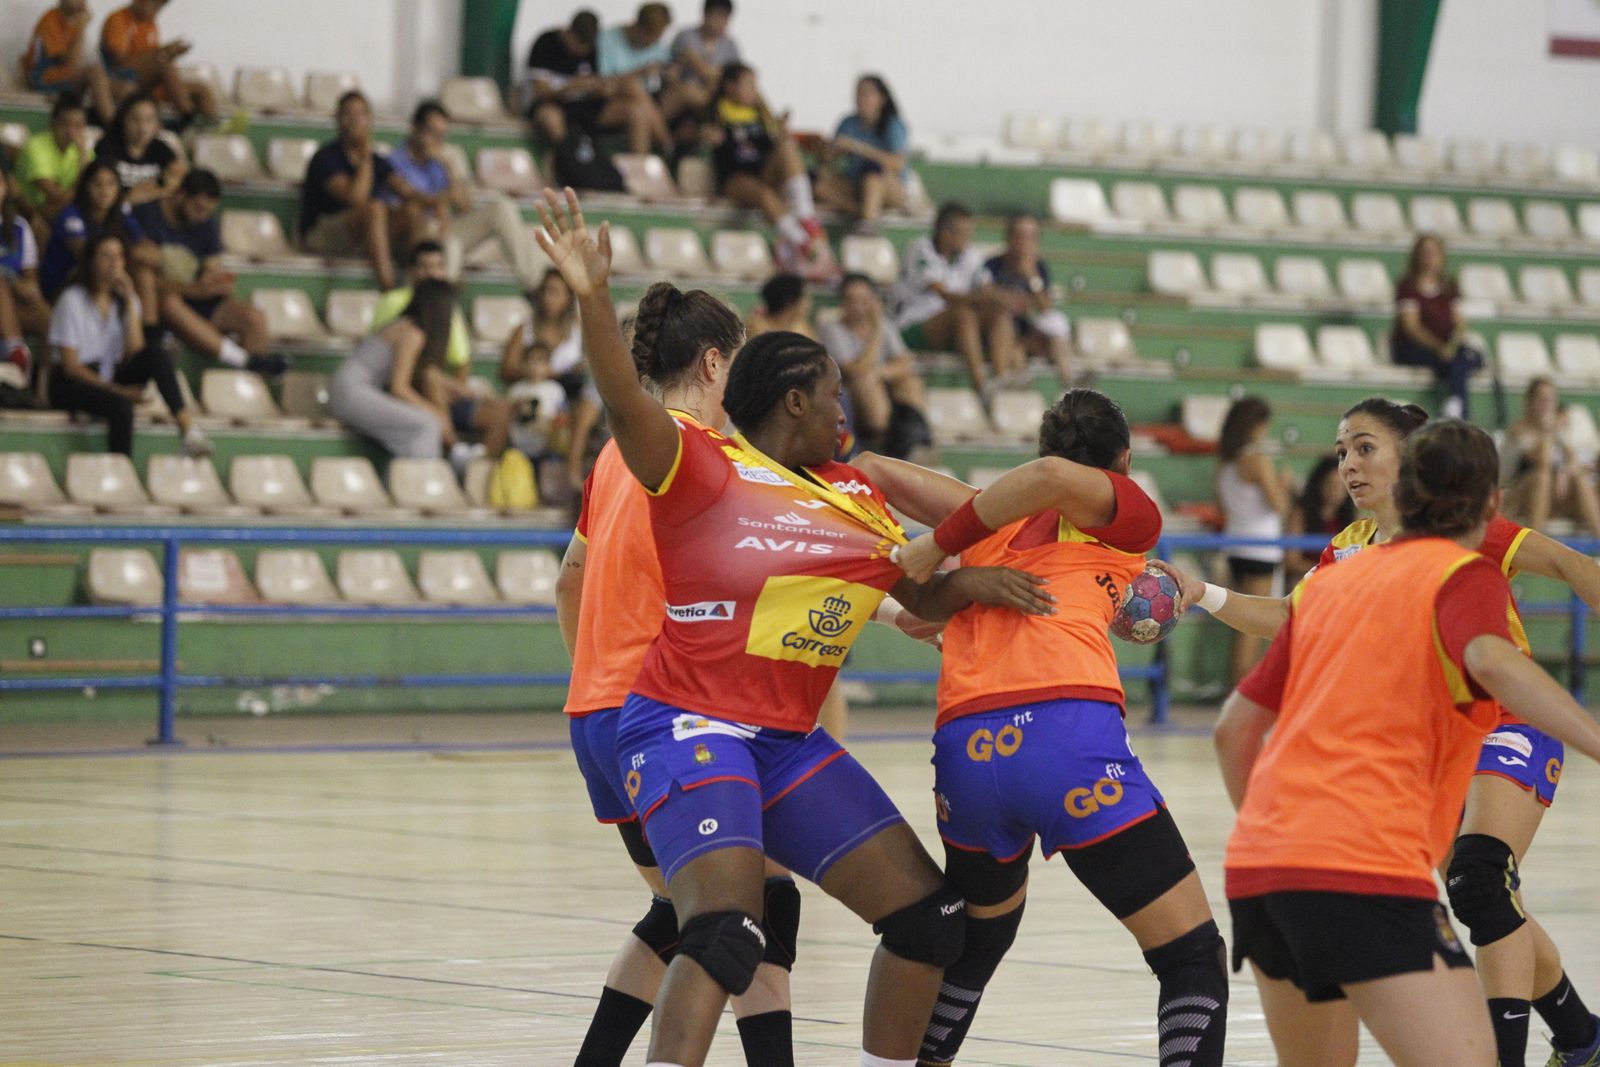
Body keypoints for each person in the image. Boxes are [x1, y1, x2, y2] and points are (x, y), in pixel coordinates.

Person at [535, 185, 1058, 1067]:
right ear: (789, 403)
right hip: (685, 721)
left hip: (781, 738)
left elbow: (919, 596)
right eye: (831, 392)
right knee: (726, 930)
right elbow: (626, 403)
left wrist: (980, 582)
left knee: (931, 921)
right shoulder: (702, 463)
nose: (847, 408)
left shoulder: (855, 495)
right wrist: (592, 298)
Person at [1160, 397, 1600, 1067]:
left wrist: (1277, 829)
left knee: (1480, 882)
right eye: (1342, 451)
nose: (1349, 464)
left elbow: (1235, 728)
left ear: (1415, 468)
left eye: (1364, 447)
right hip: (1371, 839)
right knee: (1481, 893)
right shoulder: (1380, 559)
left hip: (1271, 855)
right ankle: (1578, 1032)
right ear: (1490, 497)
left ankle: (1576, 1035)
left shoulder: (1415, 562)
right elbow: (1492, 661)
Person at [875, 389, 1231, 1067]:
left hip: (967, 750)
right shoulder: (1128, 517)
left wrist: (855, 477)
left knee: (980, 936)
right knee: (1191, 956)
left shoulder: (990, 524)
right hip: (1065, 737)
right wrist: (932, 547)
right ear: (1121, 462)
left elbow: (876, 467)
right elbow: (1051, 483)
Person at [555, 279, 798, 1067]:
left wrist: (595, 679)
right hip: (662, 717)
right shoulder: (703, 456)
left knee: (680, 913)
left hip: (595, 714)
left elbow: (569, 578)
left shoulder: (614, 454)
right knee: (751, 909)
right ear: (715, 361)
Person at [46, 229, 209, 456]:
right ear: (92, 261)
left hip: (107, 372)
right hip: (71, 382)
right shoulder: (72, 300)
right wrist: (120, 391)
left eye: (119, 256)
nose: (114, 263)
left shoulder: (124, 300)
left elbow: (135, 352)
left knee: (156, 355)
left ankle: (188, 429)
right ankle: (121, 468)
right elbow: (72, 367)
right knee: (120, 407)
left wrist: (130, 302)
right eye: (106, 256)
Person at [328, 278, 510, 462]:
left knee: (427, 422)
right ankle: (420, 482)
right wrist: (435, 412)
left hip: (354, 390)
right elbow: (399, 388)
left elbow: (428, 375)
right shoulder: (412, 334)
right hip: (351, 392)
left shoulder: (409, 328)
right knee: (427, 425)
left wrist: (462, 391)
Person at [131, 168, 286, 378]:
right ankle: (244, 360)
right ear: (180, 196)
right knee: (170, 303)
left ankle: (250, 384)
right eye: (198, 207)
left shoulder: (205, 222)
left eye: (208, 210)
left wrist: (216, 283)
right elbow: (141, 278)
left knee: (254, 318)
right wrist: (192, 289)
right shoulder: (146, 217)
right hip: (162, 302)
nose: (203, 215)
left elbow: (212, 265)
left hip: (198, 299)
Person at [383, 100, 546, 291]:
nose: (436, 140)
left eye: (441, 135)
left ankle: (534, 284)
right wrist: (441, 200)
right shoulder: (393, 161)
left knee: (502, 207)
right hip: (413, 236)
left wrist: (448, 165)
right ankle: (438, 306)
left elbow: (464, 205)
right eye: (431, 132)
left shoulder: (441, 161)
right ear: (415, 128)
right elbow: (412, 200)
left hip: (445, 227)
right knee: (450, 247)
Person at [706, 63, 832, 280]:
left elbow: (771, 147)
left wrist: (780, 132)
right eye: (749, 84)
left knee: (787, 147)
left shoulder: (761, 114)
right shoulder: (714, 113)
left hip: (762, 170)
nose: (755, 90)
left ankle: (806, 215)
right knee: (765, 195)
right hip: (735, 177)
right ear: (729, 86)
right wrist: (705, 136)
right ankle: (802, 242)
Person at [499, 267, 598, 489]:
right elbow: (506, 371)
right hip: (532, 397)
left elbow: (591, 367)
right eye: (545, 291)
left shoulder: (577, 330)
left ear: (568, 297)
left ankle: (572, 472)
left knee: (584, 408)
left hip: (567, 401)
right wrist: (539, 372)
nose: (548, 298)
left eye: (555, 292)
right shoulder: (525, 330)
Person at [525, 10, 668, 161]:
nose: (583, 51)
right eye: (580, 45)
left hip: (585, 106)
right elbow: (541, 92)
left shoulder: (591, 48)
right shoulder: (546, 43)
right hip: (554, 105)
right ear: (570, 34)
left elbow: (598, 81)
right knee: (551, 118)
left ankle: (640, 167)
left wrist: (600, 89)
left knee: (636, 110)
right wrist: (572, 87)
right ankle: (570, 165)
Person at [1214, 396, 1288, 684]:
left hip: (1235, 543)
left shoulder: (1225, 464)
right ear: (1258, 425)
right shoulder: (1257, 459)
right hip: (1261, 547)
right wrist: (1282, 484)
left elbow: (1222, 506)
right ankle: (1241, 692)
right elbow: (1278, 504)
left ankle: (1237, 690)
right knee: (1253, 628)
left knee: (1240, 620)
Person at [891, 202, 995, 403]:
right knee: (962, 313)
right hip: (912, 326)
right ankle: (981, 386)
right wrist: (984, 297)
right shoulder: (920, 249)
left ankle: (1002, 381)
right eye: (963, 233)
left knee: (999, 317)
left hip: (950, 328)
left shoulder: (969, 254)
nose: (968, 239)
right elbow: (945, 295)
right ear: (946, 233)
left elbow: (987, 287)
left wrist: (1000, 299)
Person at [820, 272, 929, 460]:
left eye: (864, 300)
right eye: (852, 300)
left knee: (910, 382)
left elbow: (904, 360)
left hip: (880, 383)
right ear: (843, 302)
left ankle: (914, 441)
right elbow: (854, 370)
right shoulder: (834, 330)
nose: (859, 307)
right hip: (851, 393)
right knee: (866, 383)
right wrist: (876, 331)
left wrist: (879, 373)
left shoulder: (885, 325)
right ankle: (886, 446)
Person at [299, 91, 395, 291]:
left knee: (411, 214)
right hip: (322, 233)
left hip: (359, 234)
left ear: (369, 120)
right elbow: (356, 198)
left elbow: (407, 190)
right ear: (338, 120)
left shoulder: (380, 161)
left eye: (360, 115)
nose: (354, 121)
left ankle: (427, 293)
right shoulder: (325, 158)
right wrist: (366, 155)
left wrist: (435, 199)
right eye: (347, 115)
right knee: (374, 209)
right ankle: (389, 290)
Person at [39, 158, 155, 309]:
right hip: (65, 284)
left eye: (111, 184)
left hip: (106, 275)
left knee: (144, 273)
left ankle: (149, 331)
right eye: (97, 184)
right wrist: (131, 255)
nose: (104, 191)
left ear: (119, 188)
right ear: (85, 187)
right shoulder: (71, 215)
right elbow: (89, 256)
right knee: (113, 270)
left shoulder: (121, 213)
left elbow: (150, 251)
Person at [1391, 234, 1483, 420]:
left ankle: (1455, 404)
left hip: (1446, 350)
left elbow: (1460, 324)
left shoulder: (1450, 286)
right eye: (1425, 252)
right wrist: (1439, 348)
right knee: (1455, 363)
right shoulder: (1407, 287)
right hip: (1413, 348)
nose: (1430, 257)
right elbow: (1411, 328)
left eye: (1434, 252)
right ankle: (1460, 412)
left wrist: (1451, 346)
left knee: (1470, 358)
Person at [978, 213, 1072, 385]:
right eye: (1020, 235)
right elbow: (985, 297)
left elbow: (1046, 308)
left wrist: (1032, 277)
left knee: (1057, 334)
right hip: (999, 335)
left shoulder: (1038, 268)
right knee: (1016, 355)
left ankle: (1069, 385)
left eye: (1030, 237)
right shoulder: (992, 266)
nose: (1024, 242)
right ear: (1008, 237)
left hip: (1027, 332)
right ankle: (1012, 399)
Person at [1501, 376, 1600, 539]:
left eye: (1550, 399)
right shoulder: (1519, 430)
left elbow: (1574, 462)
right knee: (1543, 477)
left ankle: (1598, 538)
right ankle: (1535, 541)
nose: (1546, 404)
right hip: (1518, 497)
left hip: (1554, 497)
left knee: (1581, 478)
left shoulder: (1558, 432)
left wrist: (1565, 473)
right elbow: (1543, 462)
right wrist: (1547, 430)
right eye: (1541, 398)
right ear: (1529, 401)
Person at [98, 0, 220, 128]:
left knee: (202, 89)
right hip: (122, 79)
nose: (156, 10)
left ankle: (211, 132)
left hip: (150, 82)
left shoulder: (150, 24)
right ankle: (188, 116)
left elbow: (155, 57)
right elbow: (120, 62)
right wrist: (163, 52)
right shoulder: (118, 19)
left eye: (160, 6)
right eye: (153, 4)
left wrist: (170, 53)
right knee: (165, 64)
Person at [813, 75, 909, 230]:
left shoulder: (892, 125)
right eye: (858, 94)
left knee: (872, 176)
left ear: (882, 99)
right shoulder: (848, 123)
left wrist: (857, 147)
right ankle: (859, 211)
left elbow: (896, 163)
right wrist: (829, 150)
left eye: (867, 94)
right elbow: (828, 161)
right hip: (855, 183)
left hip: (888, 185)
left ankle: (867, 224)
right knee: (818, 184)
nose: (860, 99)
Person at [597, 3, 704, 137]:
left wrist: (671, 74)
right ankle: (666, 142)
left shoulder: (657, 44)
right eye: (652, 36)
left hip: (653, 98)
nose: (655, 41)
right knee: (633, 89)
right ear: (639, 27)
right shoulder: (608, 39)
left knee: (691, 90)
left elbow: (665, 66)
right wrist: (639, 73)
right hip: (617, 100)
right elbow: (604, 82)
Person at [20, 0, 115, 126]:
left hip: (64, 76)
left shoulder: (73, 23)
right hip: (42, 76)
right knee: (95, 73)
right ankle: (114, 127)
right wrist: (82, 29)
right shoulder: (50, 19)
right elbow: (71, 62)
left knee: (120, 85)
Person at [13, 95, 90, 236]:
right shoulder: (35, 147)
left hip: (69, 210)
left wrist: (84, 158)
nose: (72, 132)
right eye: (66, 124)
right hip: (30, 212)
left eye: (78, 126)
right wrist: (84, 164)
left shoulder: (84, 151)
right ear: (53, 123)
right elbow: (55, 196)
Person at [94, 92, 186, 207]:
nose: (143, 127)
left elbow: (177, 182)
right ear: (124, 119)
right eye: (135, 119)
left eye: (149, 120)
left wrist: (154, 194)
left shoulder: (161, 148)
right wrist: (129, 198)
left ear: (157, 123)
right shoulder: (107, 146)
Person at [1282, 454, 1354, 588]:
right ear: (1320, 483)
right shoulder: (1301, 513)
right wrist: (1328, 570)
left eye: (1340, 487)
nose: (1335, 492)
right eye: (1331, 484)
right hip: (1306, 583)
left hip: (1337, 584)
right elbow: (1292, 561)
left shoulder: (1350, 519)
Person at [670, 0, 739, 96]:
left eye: (725, 18)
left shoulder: (730, 45)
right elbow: (703, 69)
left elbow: (737, 75)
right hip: (685, 91)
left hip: (716, 91)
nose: (721, 23)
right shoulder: (686, 36)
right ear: (705, 13)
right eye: (718, 17)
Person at [746, 273, 815, 340]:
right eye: (805, 298)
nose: (809, 303)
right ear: (789, 301)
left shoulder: (802, 327)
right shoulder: (757, 328)